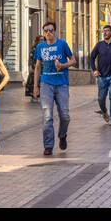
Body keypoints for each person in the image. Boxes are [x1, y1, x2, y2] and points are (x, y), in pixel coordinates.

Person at [32, 21, 74, 155]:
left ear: (55, 31)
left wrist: (63, 65)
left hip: (61, 84)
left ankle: (62, 135)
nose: (48, 33)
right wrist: (35, 86)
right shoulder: (40, 47)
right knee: (47, 116)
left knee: (65, 115)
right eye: (46, 31)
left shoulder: (62, 44)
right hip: (46, 84)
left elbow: (73, 60)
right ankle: (48, 146)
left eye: (50, 30)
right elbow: (38, 66)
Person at [89, 25, 111, 124]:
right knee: (101, 97)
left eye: (107, 31)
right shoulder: (99, 45)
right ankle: (104, 112)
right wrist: (94, 70)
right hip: (101, 76)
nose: (105, 33)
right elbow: (92, 57)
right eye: (103, 31)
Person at [23, 35, 43, 102]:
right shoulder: (34, 48)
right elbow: (31, 58)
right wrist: (31, 67)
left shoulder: (44, 48)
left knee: (41, 82)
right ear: (37, 41)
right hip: (35, 67)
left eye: (43, 40)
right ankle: (34, 96)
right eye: (41, 40)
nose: (42, 41)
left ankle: (40, 95)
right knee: (34, 81)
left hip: (42, 68)